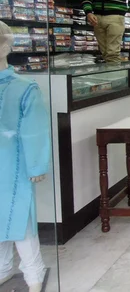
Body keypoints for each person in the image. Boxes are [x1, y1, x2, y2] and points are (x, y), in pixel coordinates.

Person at [0, 21, 50, 292]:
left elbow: (35, 130)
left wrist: (36, 164)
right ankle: (4, 265)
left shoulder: (25, 88)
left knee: (20, 216)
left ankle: (33, 270)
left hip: (13, 165)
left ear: (6, 46)